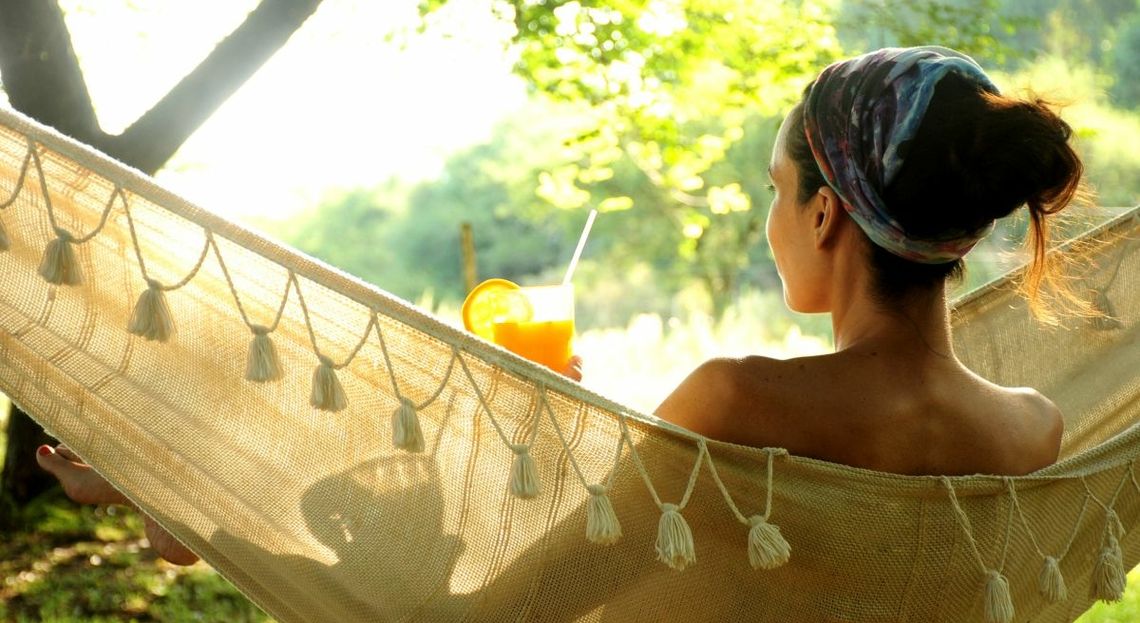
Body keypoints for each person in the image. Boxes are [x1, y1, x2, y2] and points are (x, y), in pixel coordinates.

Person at [37, 46, 1082, 564]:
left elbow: (515, 605)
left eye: (775, 190)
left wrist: (194, 495)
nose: (770, 218)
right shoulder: (1036, 429)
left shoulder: (739, 399)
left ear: (824, 214)